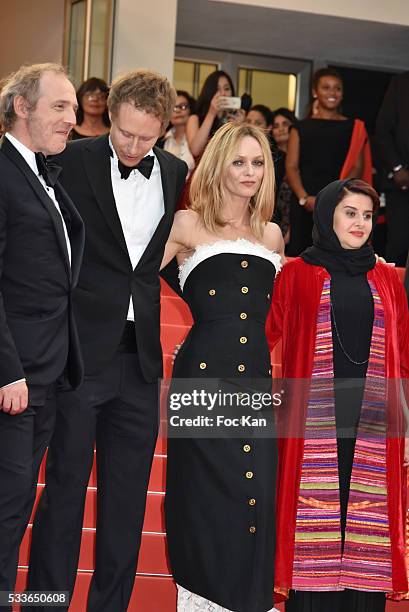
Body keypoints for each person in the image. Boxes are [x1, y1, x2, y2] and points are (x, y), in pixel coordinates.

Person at [26, 69, 188, 612]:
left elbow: (156, 261)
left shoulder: (173, 170)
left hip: (139, 362)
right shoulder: (67, 161)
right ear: (109, 115)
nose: (135, 147)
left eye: (147, 138)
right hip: (78, 356)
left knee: (126, 504)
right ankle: (47, 603)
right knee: (65, 493)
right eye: (125, 134)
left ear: (164, 129)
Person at [266, 179, 409, 612]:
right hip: (313, 427)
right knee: (315, 522)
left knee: (367, 529)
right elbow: (263, 337)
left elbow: (401, 359)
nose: (360, 224)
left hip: (374, 426)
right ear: (328, 215)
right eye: (350, 213)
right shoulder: (295, 274)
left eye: (367, 215)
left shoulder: (386, 275)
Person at [162, 121, 284, 612]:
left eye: (258, 162)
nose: (250, 171)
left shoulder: (273, 234)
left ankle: (246, 601)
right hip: (202, 380)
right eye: (239, 161)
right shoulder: (187, 224)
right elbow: (132, 281)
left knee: (252, 490)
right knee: (204, 496)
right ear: (218, 165)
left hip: (254, 379)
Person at [0, 63, 84, 606]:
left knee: (14, 512)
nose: (72, 120)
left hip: (47, 374)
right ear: (22, 107)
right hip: (15, 379)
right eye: (60, 107)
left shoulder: (43, 171)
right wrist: (7, 371)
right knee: (5, 509)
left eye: (74, 108)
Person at [286, 68, 372, 256]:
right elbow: (291, 167)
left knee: (336, 257)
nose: (332, 93)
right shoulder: (300, 127)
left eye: (337, 88)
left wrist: (333, 198)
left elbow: (357, 167)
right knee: (301, 257)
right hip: (304, 204)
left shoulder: (354, 127)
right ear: (315, 92)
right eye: (326, 87)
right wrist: (304, 198)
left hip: (340, 203)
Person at [375, 71, 409, 266]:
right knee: (399, 244)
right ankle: (393, 296)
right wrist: (397, 168)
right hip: (402, 181)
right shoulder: (400, 83)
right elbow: (383, 129)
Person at [186, 69, 244, 159]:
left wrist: (239, 127)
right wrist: (211, 113)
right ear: (209, 92)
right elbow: (195, 150)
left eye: (227, 89)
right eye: (217, 89)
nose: (223, 93)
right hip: (204, 172)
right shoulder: (195, 119)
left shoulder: (234, 119)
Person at [271, 107, 298, 242]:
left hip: (297, 221)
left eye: (285, 124)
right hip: (273, 222)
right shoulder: (270, 160)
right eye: (276, 126)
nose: (281, 129)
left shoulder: (303, 160)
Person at [163, 89, 195, 176]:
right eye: (173, 107)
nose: (178, 111)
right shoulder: (161, 141)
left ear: (191, 110)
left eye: (183, 106)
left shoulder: (197, 140)